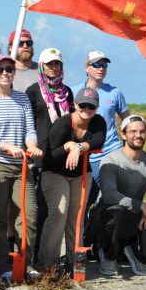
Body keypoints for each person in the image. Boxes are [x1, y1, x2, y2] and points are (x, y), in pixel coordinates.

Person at [0, 54, 43, 281]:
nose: (5, 73)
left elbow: (29, 129)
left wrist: (32, 146)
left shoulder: (22, 99)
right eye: (0, 69)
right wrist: (7, 146)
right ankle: (3, 266)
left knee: (29, 214)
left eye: (9, 69)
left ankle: (26, 262)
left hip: (21, 165)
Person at [93, 115, 146, 277]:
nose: (138, 135)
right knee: (116, 212)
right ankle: (108, 255)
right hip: (107, 214)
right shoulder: (111, 160)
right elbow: (110, 195)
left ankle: (138, 256)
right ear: (123, 135)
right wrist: (142, 206)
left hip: (135, 216)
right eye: (132, 132)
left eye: (142, 131)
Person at [37, 87, 105, 272]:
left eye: (91, 106)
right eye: (82, 105)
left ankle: (75, 263)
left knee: (77, 218)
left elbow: (99, 140)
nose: (86, 109)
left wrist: (78, 147)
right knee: (59, 214)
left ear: (96, 108)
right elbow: (50, 154)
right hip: (55, 172)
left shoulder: (98, 122)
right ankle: (47, 264)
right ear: (75, 104)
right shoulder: (63, 124)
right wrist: (67, 146)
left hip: (81, 174)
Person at [26, 47, 74, 261]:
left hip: (62, 157)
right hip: (40, 158)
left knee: (56, 211)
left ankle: (50, 257)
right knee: (39, 211)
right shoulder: (33, 91)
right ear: (42, 66)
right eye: (50, 64)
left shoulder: (68, 92)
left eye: (57, 64)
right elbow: (28, 124)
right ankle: (36, 257)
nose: (54, 68)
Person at [71, 51, 130, 200]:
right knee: (85, 199)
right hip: (86, 153)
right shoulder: (74, 91)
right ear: (86, 68)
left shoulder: (114, 92)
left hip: (111, 150)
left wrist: (128, 148)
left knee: (112, 193)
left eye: (104, 65)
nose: (101, 68)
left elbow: (128, 121)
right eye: (96, 64)